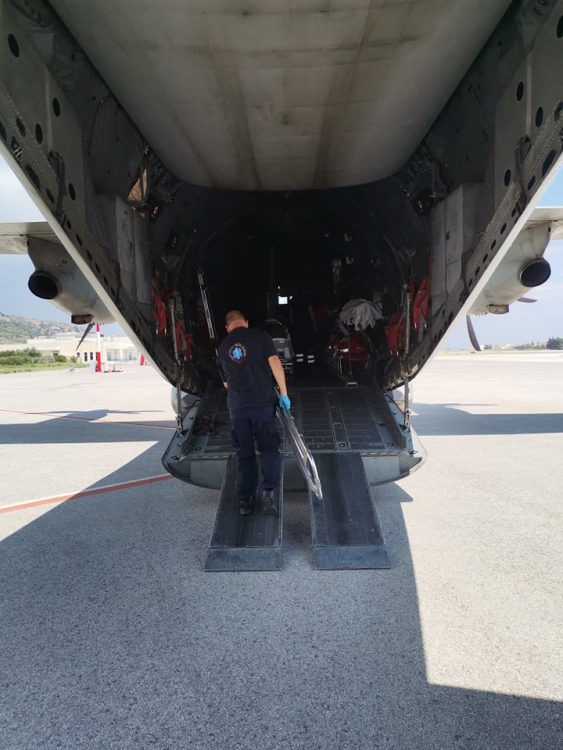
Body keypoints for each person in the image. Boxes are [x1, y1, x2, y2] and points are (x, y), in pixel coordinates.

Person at [217, 310, 291, 516]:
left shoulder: (223, 347)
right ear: (246, 323)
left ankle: (245, 500)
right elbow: (275, 363)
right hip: (262, 405)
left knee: (244, 453)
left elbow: (226, 384)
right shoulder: (261, 337)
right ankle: (269, 493)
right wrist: (284, 393)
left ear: (227, 328)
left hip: (238, 408)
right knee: (269, 448)